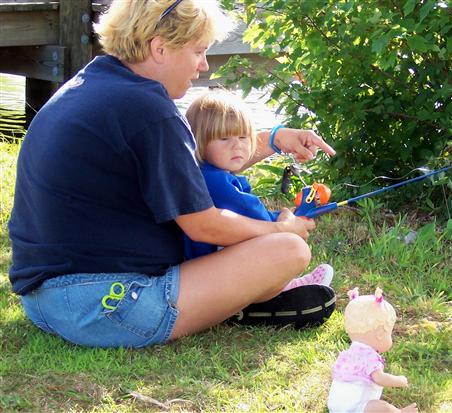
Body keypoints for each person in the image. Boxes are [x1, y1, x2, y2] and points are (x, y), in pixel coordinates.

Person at [8, 0, 337, 348]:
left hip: (44, 302)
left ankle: (228, 302)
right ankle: (236, 304)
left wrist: (273, 140)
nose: (203, 65)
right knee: (289, 250)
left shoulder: (95, 84)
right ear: (159, 48)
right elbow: (203, 223)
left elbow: (188, 167)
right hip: (107, 306)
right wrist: (278, 228)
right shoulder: (149, 109)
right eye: (199, 51)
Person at [183, 90, 333, 293]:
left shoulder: (208, 173)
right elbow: (254, 215)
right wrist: (286, 220)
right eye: (225, 138)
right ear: (200, 143)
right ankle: (280, 289)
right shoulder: (215, 180)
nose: (237, 146)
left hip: (203, 264)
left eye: (244, 137)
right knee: (281, 246)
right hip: (208, 268)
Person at [327, 288, 418, 413]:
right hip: (355, 408)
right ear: (380, 334)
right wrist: (399, 380)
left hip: (335, 406)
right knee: (380, 407)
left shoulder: (347, 354)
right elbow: (379, 378)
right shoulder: (369, 357)